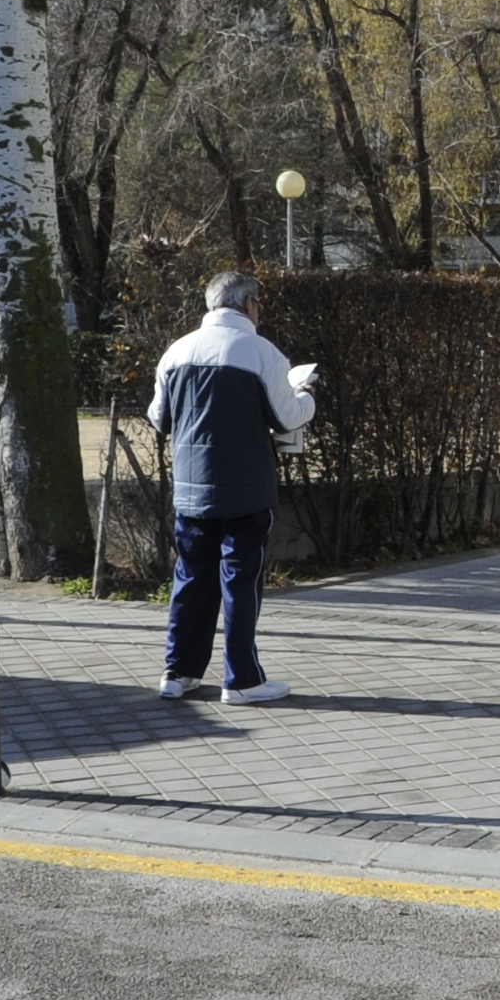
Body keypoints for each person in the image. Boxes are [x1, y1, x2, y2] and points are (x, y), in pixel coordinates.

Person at [146, 271, 314, 704]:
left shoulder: (176, 352)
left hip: (189, 487)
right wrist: (307, 394)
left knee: (190, 580)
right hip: (245, 488)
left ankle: (178, 672)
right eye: (259, 303)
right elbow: (287, 416)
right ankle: (242, 680)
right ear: (249, 303)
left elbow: (159, 418)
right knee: (240, 582)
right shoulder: (261, 352)